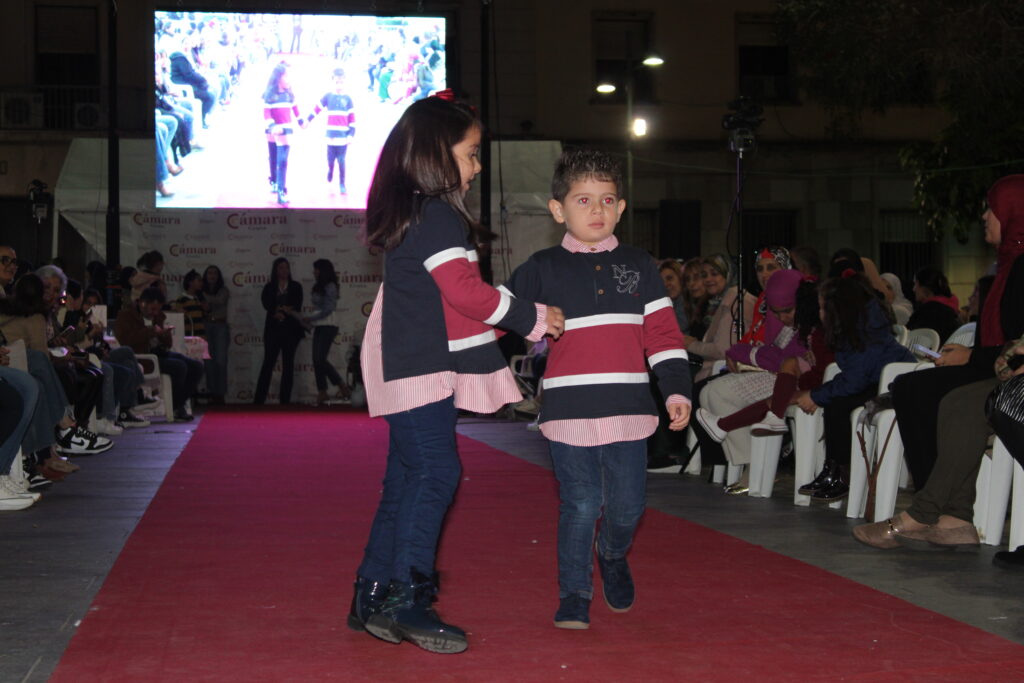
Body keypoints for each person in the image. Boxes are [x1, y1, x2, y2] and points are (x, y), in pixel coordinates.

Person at [350, 96, 563, 654]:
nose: (477, 166)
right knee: (435, 473)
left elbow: (452, 300)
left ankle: (372, 595)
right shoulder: (438, 215)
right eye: (470, 154)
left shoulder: (416, 213)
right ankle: (407, 601)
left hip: (407, 360)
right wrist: (533, 317)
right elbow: (465, 293)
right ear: (434, 155)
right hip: (417, 364)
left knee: (407, 477)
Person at [502, 148, 691, 630]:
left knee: (628, 508)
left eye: (607, 200)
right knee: (582, 503)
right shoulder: (541, 267)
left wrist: (676, 390)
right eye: (583, 200)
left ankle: (611, 553)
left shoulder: (640, 265)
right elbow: (498, 313)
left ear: (621, 208)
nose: (597, 210)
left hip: (630, 409)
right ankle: (574, 593)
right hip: (569, 411)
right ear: (558, 210)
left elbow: (663, 337)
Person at [855, 175, 1024, 547]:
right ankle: (953, 517)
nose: (985, 216)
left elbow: (1017, 342)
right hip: (1000, 370)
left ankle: (926, 511)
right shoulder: (1007, 267)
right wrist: (971, 355)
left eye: (992, 209)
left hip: (1010, 376)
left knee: (951, 399)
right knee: (915, 387)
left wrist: (971, 356)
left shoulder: (1019, 267)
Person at [695, 273, 826, 490]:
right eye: (777, 312)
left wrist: (743, 352)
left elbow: (781, 358)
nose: (782, 317)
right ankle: (751, 464)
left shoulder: (811, 324)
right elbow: (772, 352)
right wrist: (746, 353)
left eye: (788, 310)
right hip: (783, 377)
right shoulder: (787, 324)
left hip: (797, 381)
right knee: (708, 392)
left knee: (717, 392)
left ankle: (755, 469)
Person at [795, 271, 915, 501]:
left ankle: (843, 473)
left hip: (893, 386)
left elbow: (855, 380)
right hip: (875, 381)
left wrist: (816, 395)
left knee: (838, 406)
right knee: (835, 404)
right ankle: (833, 468)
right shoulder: (858, 326)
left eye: (822, 308)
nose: (819, 313)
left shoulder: (866, 332)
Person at [115, 286, 203, 422]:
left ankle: (177, 403)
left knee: (197, 366)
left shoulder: (158, 316)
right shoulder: (126, 316)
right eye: (152, 309)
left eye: (158, 309)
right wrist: (150, 331)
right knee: (179, 367)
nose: (155, 313)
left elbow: (167, 345)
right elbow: (126, 341)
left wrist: (164, 335)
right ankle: (177, 407)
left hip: (159, 353)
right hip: (142, 357)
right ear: (142, 303)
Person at [685, 253, 756, 382]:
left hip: (725, 373)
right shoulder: (713, 303)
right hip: (713, 370)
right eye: (704, 275)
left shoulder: (735, 301)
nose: (708, 279)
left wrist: (690, 344)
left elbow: (722, 350)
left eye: (714, 273)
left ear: (727, 274)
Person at [253, 258, 304, 405]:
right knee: (268, 364)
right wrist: (275, 311)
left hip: (291, 330)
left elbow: (297, 304)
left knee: (288, 365)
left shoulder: (296, 286)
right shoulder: (269, 286)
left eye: (286, 267)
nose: (284, 270)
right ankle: (258, 400)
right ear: (276, 270)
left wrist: (286, 311)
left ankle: (285, 401)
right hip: (273, 330)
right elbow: (266, 303)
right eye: (281, 267)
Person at [304, 259, 350, 405]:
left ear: (322, 270)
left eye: (316, 269)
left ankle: (339, 384)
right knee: (317, 359)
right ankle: (322, 391)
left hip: (328, 325)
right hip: (319, 325)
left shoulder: (330, 286)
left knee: (319, 359)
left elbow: (328, 309)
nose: (314, 272)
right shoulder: (318, 285)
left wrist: (311, 318)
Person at [304, 68, 356, 195]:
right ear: (332, 81)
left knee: (342, 161)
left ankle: (342, 183)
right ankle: (330, 170)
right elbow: (316, 109)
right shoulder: (328, 97)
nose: (339, 85)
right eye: (337, 82)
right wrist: (308, 120)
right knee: (331, 160)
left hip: (343, 137)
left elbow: (352, 119)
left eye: (341, 82)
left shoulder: (348, 99)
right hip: (331, 136)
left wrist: (351, 135)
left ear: (345, 82)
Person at [263, 61, 303, 205]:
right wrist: (272, 126)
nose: (289, 79)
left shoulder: (290, 95)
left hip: (286, 130)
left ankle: (281, 191)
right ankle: (273, 180)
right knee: (273, 157)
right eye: (286, 76)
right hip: (272, 130)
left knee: (283, 161)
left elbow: (296, 111)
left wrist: (302, 122)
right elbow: (266, 114)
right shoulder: (269, 95)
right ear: (278, 77)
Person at [907, 265, 960, 343]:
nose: (913, 289)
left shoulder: (928, 312)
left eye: (915, 284)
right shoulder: (950, 309)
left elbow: (910, 339)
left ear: (924, 288)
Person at [202, 265, 230, 405]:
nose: (212, 276)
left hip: (220, 326)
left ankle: (220, 393)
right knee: (208, 362)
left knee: (220, 361)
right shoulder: (201, 291)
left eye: (214, 273)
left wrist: (202, 296)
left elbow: (219, 301)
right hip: (205, 326)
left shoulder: (224, 290)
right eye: (209, 273)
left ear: (218, 276)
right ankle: (211, 392)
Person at [172, 269, 207, 338]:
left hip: (200, 336)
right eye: (199, 281)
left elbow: (203, 316)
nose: (201, 283)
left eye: (201, 281)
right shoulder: (182, 299)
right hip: (189, 336)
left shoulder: (199, 298)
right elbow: (179, 319)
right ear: (190, 283)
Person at [681, 257, 708, 339]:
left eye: (696, 278)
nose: (691, 283)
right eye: (687, 279)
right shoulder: (691, 307)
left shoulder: (711, 307)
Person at [658, 259, 688, 333]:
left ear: (680, 278)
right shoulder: (670, 303)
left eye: (669, 278)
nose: (665, 284)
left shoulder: (688, 301)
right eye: (661, 281)